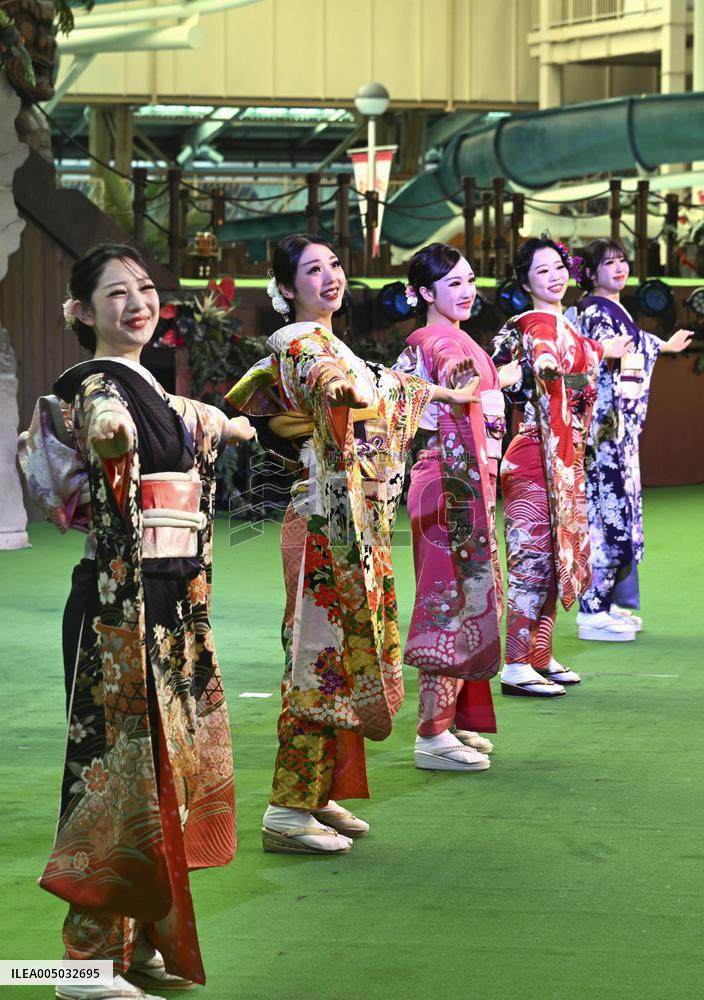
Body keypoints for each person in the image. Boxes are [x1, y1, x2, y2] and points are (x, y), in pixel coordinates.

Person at [19, 242, 253, 1000]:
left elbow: (189, 421)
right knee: (115, 778)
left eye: (145, 289)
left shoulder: (152, 384)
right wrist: (111, 433)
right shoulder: (94, 383)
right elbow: (106, 419)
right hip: (117, 609)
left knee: (162, 781)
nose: (137, 303)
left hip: (170, 601)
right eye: (115, 294)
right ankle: (83, 964)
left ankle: (139, 935)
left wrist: (227, 425)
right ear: (82, 313)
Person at [226, 234, 482, 855]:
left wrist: (438, 394)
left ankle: (314, 793)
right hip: (322, 517)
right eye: (312, 270)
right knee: (319, 651)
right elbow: (334, 381)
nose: (329, 277)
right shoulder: (299, 343)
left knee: (342, 648)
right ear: (286, 289)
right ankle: (286, 810)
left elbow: (380, 383)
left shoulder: (328, 342)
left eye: (335, 264)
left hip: (352, 516)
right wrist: (341, 394)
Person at [393, 243, 521, 771]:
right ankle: (431, 734)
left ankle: (455, 721)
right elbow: (460, 391)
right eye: (453, 283)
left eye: (470, 280)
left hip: (462, 474)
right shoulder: (442, 343)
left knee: (465, 594)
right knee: (446, 600)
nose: (466, 291)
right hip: (449, 480)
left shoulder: (451, 338)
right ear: (424, 293)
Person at [492, 236, 632, 697]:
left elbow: (586, 357)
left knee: (559, 557)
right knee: (533, 556)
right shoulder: (533, 324)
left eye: (558, 267)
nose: (554, 277)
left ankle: (539, 654)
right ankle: (514, 663)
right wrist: (547, 369)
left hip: (564, 453)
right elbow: (543, 357)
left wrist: (593, 355)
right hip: (535, 449)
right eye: (542, 271)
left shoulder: (567, 329)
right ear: (525, 281)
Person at [568, 239, 694, 639]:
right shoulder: (594, 311)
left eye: (622, 260)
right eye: (608, 263)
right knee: (608, 515)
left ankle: (604, 603)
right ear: (589, 273)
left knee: (619, 511)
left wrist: (663, 345)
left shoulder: (610, 309)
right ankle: (592, 609)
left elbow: (630, 347)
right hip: (604, 431)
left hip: (616, 431)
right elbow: (602, 353)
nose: (619, 268)